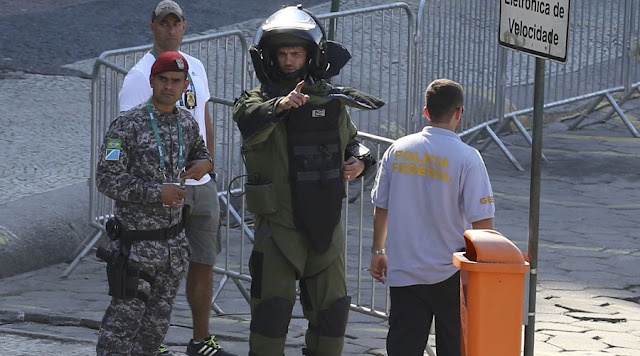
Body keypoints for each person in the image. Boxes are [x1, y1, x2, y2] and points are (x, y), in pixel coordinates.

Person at [232, 5, 381, 356]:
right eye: (282, 53)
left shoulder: (330, 100)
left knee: (332, 314)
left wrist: (359, 162)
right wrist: (280, 106)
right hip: (279, 228)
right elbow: (246, 117)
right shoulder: (258, 100)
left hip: (326, 228)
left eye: (295, 53)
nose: (288, 60)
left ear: (309, 55)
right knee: (271, 314)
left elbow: (354, 142)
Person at [118, 2, 235, 355]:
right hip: (162, 192)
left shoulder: (194, 67)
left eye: (177, 23)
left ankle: (201, 341)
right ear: (152, 26)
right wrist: (153, 188)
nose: (171, 29)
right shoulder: (139, 77)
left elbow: (205, 118)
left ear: (184, 26)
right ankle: (150, 343)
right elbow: (127, 137)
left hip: (200, 187)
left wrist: (209, 165)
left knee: (203, 263)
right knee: (154, 269)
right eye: (164, 23)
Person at [96, 51, 214, 355]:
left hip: (173, 247)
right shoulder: (126, 125)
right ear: (152, 81)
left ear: (185, 84)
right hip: (138, 248)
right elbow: (106, 179)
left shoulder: (186, 123)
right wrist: (155, 192)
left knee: (154, 331)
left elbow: (200, 152)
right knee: (120, 331)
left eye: (176, 81)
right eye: (163, 79)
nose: (169, 86)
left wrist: (204, 163)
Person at [370, 78, 495, 356]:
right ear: (459, 112)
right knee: (454, 346)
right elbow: (483, 224)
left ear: (426, 112)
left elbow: (381, 205)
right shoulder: (468, 157)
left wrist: (378, 249)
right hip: (451, 271)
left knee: (403, 347)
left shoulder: (398, 149)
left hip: (405, 270)